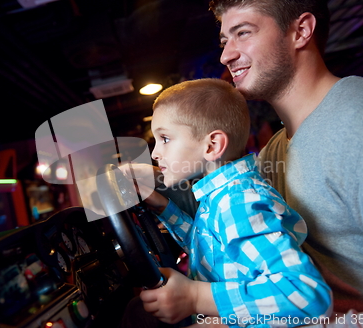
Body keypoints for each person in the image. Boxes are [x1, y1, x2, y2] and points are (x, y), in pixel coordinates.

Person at [209, 0, 363, 326]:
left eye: (243, 33)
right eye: (225, 39)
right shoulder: (274, 149)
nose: (226, 54)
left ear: (301, 31)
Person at [121, 78, 332, 328]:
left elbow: (308, 296)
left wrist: (194, 297)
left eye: (165, 139)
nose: (155, 153)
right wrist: (163, 208)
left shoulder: (238, 201)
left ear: (212, 146)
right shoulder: (221, 195)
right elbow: (212, 246)